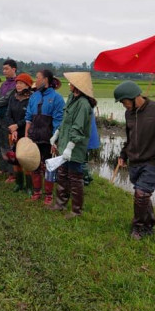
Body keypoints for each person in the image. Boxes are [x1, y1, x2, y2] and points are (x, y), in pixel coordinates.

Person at [114, 81, 155, 239]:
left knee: (141, 194)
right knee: (143, 194)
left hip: (153, 161)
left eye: (124, 102)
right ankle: (149, 224)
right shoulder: (129, 114)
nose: (123, 105)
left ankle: (138, 227)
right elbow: (129, 138)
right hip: (135, 160)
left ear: (134, 97)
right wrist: (123, 155)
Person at [51, 72, 95, 218]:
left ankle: (76, 210)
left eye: (71, 83)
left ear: (77, 86)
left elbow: (78, 128)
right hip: (64, 143)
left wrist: (70, 148)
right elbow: (65, 121)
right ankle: (60, 203)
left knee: (75, 177)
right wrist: (56, 135)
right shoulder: (71, 99)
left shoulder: (83, 104)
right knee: (62, 174)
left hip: (75, 147)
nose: (69, 84)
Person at [24, 70, 64, 205]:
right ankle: (36, 192)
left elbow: (58, 122)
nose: (36, 80)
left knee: (49, 167)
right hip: (33, 136)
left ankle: (48, 195)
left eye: (37, 77)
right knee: (34, 164)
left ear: (46, 80)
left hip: (48, 138)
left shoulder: (57, 98)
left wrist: (55, 141)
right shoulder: (34, 96)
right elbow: (28, 118)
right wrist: (26, 137)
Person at [4, 73, 33, 193]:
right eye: (17, 83)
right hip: (13, 132)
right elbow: (8, 114)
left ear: (27, 85)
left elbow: (29, 117)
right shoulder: (13, 97)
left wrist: (18, 126)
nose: (18, 85)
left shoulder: (31, 98)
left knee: (26, 159)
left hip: (26, 133)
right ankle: (19, 183)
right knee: (15, 158)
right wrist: (13, 128)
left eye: (21, 83)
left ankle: (29, 186)